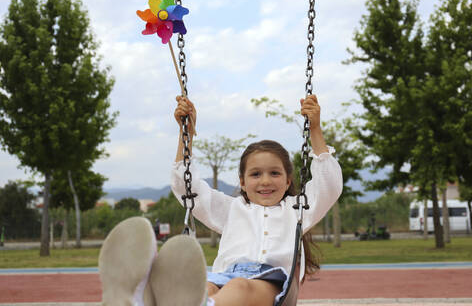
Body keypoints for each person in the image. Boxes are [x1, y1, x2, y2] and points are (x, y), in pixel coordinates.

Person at [98, 94, 342, 306]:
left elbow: (329, 185)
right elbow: (187, 188)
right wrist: (186, 135)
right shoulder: (232, 209)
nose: (265, 181)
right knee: (207, 288)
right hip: (222, 277)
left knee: (239, 287)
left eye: (275, 173)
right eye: (256, 174)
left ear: (288, 181)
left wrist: (316, 132)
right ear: (243, 182)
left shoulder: (297, 209)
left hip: (270, 283)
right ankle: (140, 299)